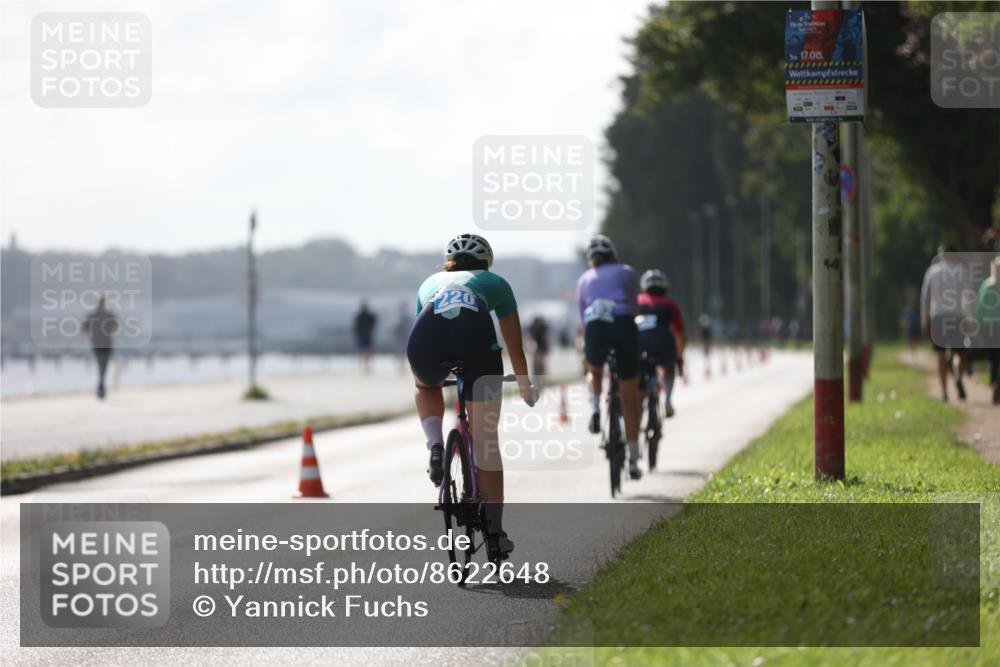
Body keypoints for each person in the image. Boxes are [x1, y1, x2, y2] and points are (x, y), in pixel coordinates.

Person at [406, 233, 537, 556]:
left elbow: (430, 326)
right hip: (475, 342)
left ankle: (435, 444)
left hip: (426, 342)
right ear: (486, 263)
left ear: (448, 263)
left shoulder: (429, 282)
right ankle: (494, 533)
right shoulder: (495, 283)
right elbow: (515, 347)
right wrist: (524, 385)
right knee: (485, 440)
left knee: (426, 385)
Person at [576, 234, 643, 481]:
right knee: (630, 399)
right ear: (612, 254)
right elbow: (635, 306)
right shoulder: (626, 271)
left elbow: (583, 317)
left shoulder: (584, 279)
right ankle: (634, 460)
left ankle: (594, 407)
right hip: (623, 324)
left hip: (595, 325)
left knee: (593, 370)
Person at [921, 244, 970, 402]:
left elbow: (925, 298)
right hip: (957, 315)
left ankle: (944, 392)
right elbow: (968, 297)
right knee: (959, 354)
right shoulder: (962, 271)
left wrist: (924, 320)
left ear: (941, 255)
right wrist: (969, 318)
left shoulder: (932, 272)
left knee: (941, 355)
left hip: (938, 317)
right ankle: (958, 376)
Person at [635, 269, 686, 418]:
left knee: (636, 375)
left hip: (639, 344)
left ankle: (637, 404)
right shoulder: (670, 304)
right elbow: (680, 334)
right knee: (669, 367)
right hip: (663, 343)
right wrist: (679, 356)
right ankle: (668, 400)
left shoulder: (637, 301)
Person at [82, 293, 119, 399]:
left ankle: (101, 387)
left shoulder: (92, 315)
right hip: (107, 344)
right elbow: (115, 327)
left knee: (100, 365)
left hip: (96, 344)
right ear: (105, 302)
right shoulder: (109, 315)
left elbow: (84, 329)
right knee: (104, 366)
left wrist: (92, 333)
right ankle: (101, 386)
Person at [976, 256, 1000, 405]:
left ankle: (994, 382)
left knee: (992, 358)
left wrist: (978, 327)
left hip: (989, 326)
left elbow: (979, 308)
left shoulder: (986, 285)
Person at [353, 299, 377, 375]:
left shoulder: (359, 316)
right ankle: (367, 366)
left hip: (363, 335)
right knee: (367, 351)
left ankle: (363, 366)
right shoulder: (368, 315)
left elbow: (356, 327)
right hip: (367, 335)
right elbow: (374, 322)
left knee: (363, 350)